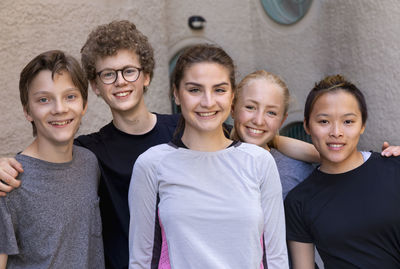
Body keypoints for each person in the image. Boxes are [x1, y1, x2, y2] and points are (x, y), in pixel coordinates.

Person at [0, 20, 178, 269]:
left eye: (129, 71)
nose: (120, 81)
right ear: (95, 86)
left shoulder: (182, 133)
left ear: (146, 76)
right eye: (108, 74)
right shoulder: (86, 154)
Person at [128, 44, 288, 268]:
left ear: (232, 95)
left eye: (219, 90)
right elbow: (141, 260)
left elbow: (276, 257)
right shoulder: (152, 164)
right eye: (194, 90)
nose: (208, 102)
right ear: (176, 93)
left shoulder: (258, 161)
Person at [0, 50, 104, 268]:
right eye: (44, 99)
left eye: (70, 96)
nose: (59, 109)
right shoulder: (9, 184)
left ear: (84, 105)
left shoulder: (89, 163)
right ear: (27, 111)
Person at [284, 75, 400, 268]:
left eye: (348, 121)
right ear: (307, 125)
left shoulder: (394, 168)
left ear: (362, 125)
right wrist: (274, 140)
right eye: (323, 121)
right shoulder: (299, 201)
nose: (336, 132)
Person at [231, 70, 316, 199]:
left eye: (271, 113)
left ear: (282, 120)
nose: (258, 121)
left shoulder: (297, 172)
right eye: (250, 107)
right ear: (233, 109)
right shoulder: (212, 158)